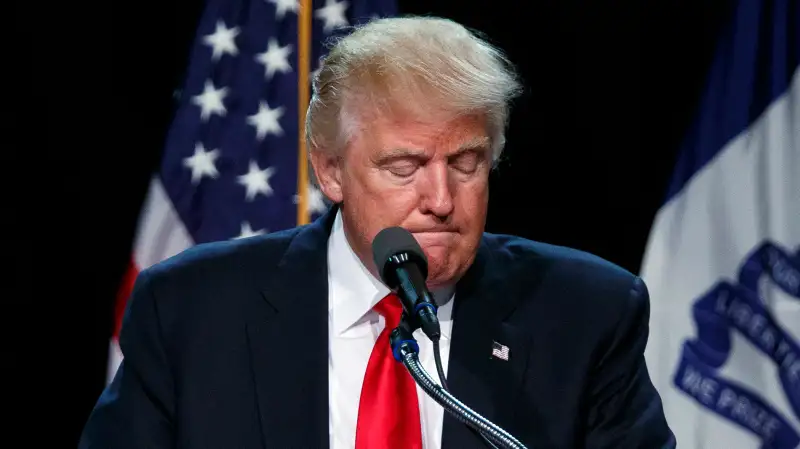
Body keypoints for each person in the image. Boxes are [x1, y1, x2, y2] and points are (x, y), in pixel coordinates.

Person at [79, 16, 675, 449]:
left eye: (466, 163)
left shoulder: (584, 313)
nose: (441, 201)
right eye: (404, 168)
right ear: (331, 170)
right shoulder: (192, 311)